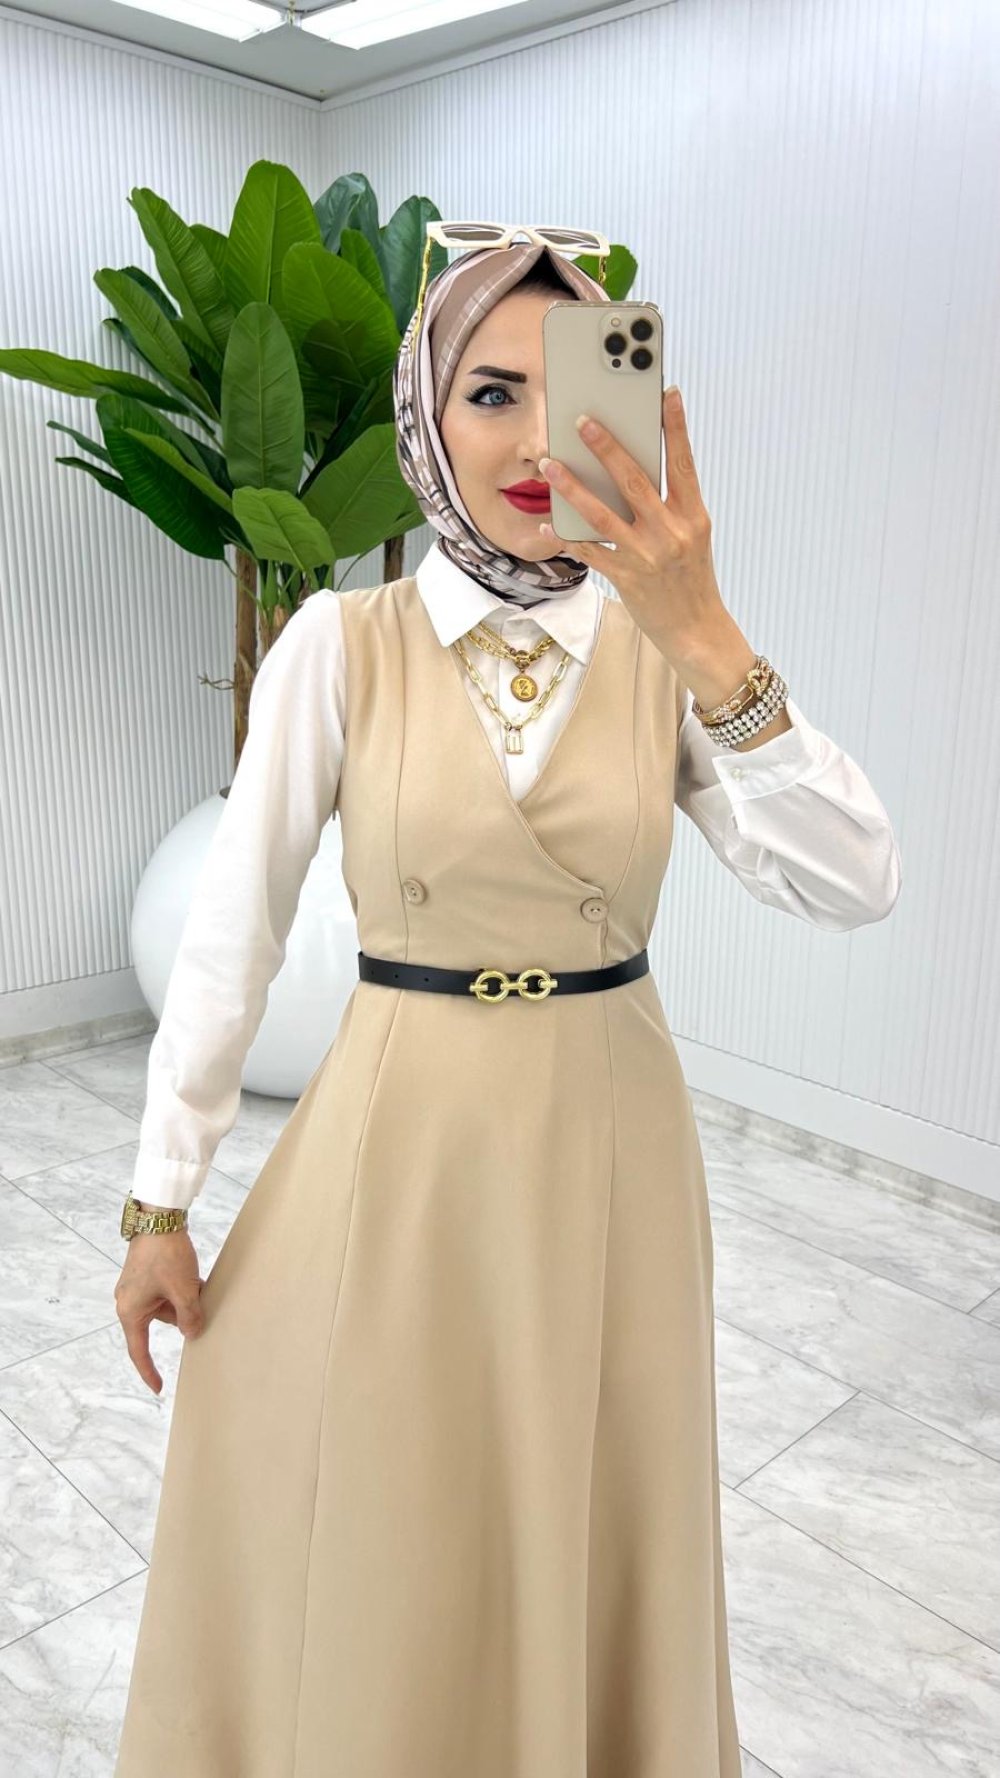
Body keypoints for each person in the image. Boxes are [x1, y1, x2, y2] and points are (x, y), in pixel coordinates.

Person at [112, 233, 902, 1777]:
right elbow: (232, 931)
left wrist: (707, 632)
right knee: (388, 1502)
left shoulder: (664, 658)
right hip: (399, 1141)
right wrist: (161, 1200)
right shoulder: (342, 645)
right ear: (426, 414)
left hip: (611, 1145)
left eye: (575, 390)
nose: (541, 440)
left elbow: (854, 880)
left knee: (591, 1497)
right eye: (491, 393)